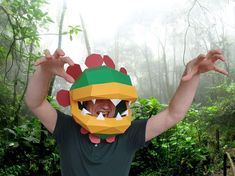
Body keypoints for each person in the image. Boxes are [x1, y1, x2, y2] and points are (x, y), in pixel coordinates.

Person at [25, 48, 228, 176]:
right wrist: (45, 72)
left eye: (112, 100)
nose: (105, 105)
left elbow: (173, 114)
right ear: (83, 103)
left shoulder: (129, 133)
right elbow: (35, 103)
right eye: (97, 100)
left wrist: (192, 74)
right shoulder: (67, 129)